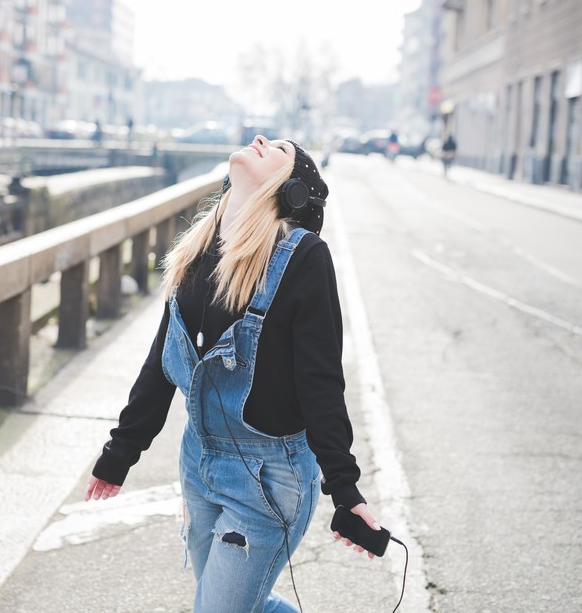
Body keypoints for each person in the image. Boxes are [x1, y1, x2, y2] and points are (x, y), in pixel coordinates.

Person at [85, 136, 380, 612]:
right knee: (240, 606)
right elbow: (163, 359)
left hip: (269, 482)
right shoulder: (196, 251)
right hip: (198, 464)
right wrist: (121, 451)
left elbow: (321, 381)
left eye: (281, 149)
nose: (261, 139)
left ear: (291, 190)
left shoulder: (303, 258)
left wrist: (344, 487)